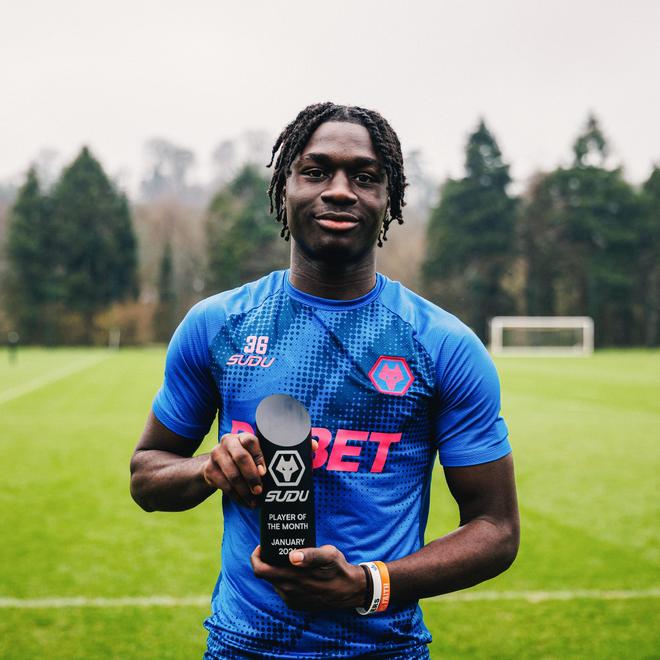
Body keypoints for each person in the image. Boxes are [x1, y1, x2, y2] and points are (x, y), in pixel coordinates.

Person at [130, 102, 520, 659]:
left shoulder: (443, 345)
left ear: (389, 199)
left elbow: (495, 528)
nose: (339, 190)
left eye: (364, 177)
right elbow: (147, 475)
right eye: (315, 171)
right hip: (242, 648)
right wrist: (207, 468)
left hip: (386, 651)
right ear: (284, 188)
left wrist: (368, 585)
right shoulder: (218, 325)